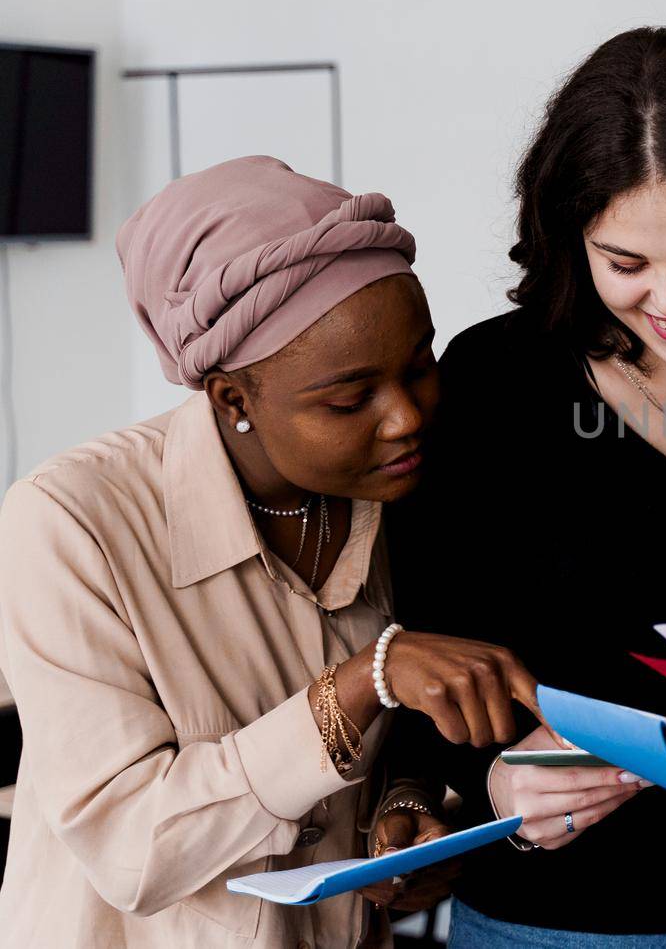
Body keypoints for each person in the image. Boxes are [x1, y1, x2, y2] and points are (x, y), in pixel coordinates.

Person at [0, 156, 543, 948]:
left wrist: (406, 814)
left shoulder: (402, 494)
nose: (405, 417)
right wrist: (362, 683)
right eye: (351, 398)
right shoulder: (71, 521)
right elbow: (132, 846)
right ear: (232, 398)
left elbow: (384, 773)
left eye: (420, 366)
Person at [373, 27, 666, 948]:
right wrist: (490, 782)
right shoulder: (498, 380)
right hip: (551, 922)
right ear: (571, 238)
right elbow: (422, 639)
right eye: (624, 264)